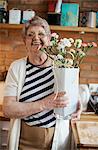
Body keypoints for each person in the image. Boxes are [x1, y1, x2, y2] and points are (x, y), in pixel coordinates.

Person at [3, 16, 82, 150]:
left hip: (57, 140)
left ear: (49, 39)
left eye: (41, 34)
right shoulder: (17, 67)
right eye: (30, 35)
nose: (36, 38)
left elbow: (70, 94)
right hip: (24, 141)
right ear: (24, 41)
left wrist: (76, 103)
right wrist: (45, 103)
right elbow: (8, 109)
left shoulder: (62, 65)